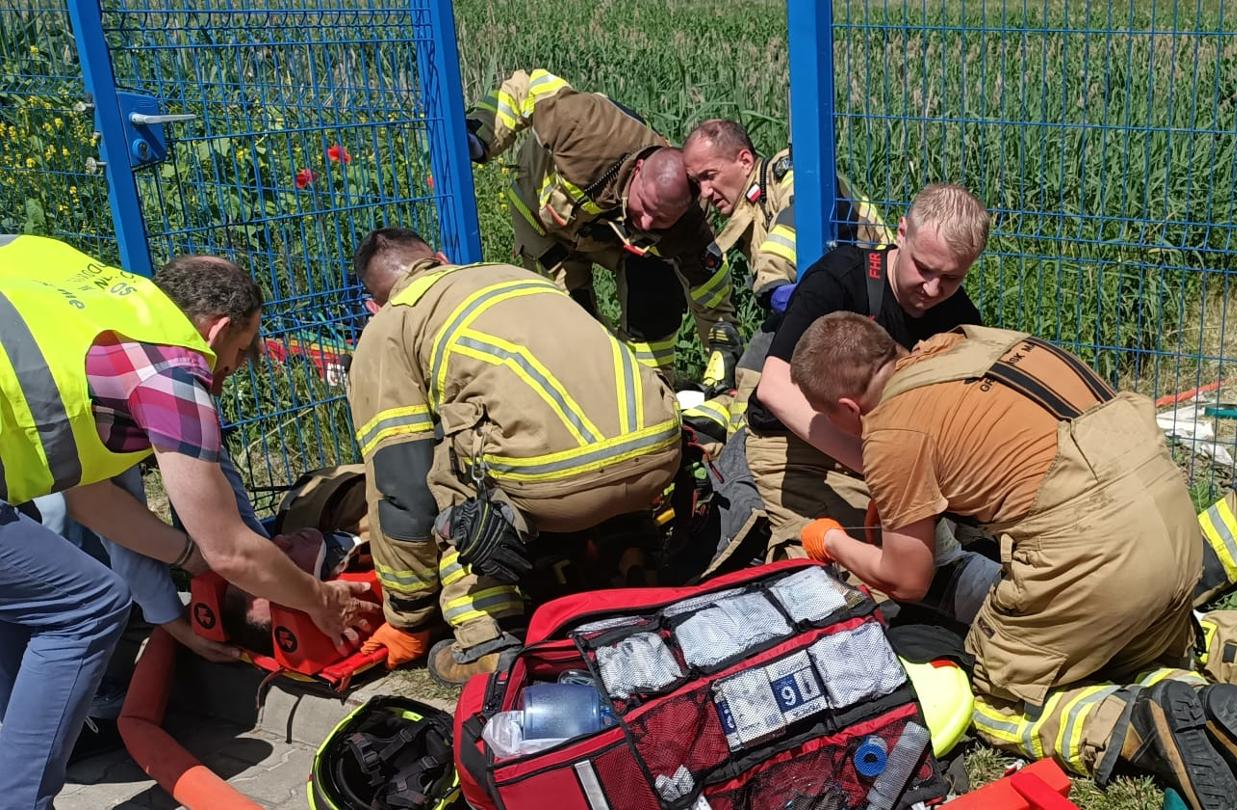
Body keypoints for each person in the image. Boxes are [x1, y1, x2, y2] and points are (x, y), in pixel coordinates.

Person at [788, 314, 1237, 810]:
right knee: (1118, 644)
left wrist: (830, 540)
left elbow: (907, 579)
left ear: (849, 409)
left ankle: (1136, 723)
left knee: (993, 699)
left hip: (1096, 561)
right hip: (1176, 536)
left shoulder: (892, 430)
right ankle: (1222, 684)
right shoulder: (973, 343)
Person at [0, 235, 373, 809]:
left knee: (27, 599)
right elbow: (233, 551)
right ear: (217, 330)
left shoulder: (98, 303)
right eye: (242, 350)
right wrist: (320, 600)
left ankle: (14, 752)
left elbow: (91, 498)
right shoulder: (170, 370)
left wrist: (185, 573)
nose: (235, 369)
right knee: (86, 605)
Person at [346, 228, 684, 684]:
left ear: (375, 305)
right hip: (660, 452)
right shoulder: (514, 276)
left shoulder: (390, 326)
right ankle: (630, 555)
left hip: (558, 487)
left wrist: (409, 615)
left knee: (441, 464)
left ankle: (486, 637)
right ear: (442, 260)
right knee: (574, 425)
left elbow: (401, 486)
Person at [743, 183, 987, 555]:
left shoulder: (960, 318)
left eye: (951, 278)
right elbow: (774, 388)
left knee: (962, 551)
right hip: (797, 441)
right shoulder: (839, 279)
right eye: (923, 268)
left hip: (887, 454)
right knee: (854, 569)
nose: (932, 289)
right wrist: (881, 468)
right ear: (902, 233)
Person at [466, 68, 740, 391]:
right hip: (544, 225)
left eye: (660, 218)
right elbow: (529, 86)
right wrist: (480, 134)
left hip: (607, 238)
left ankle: (651, 391)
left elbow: (710, 289)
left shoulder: (687, 221)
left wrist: (723, 347)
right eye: (646, 206)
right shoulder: (585, 128)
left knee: (655, 287)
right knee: (571, 328)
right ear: (639, 170)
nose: (647, 222)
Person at [682, 119, 894, 364]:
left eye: (710, 176)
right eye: (697, 182)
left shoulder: (793, 171)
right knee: (751, 371)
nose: (705, 192)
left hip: (875, 300)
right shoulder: (751, 206)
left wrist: (772, 284)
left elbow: (799, 216)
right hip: (833, 307)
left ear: (745, 161)